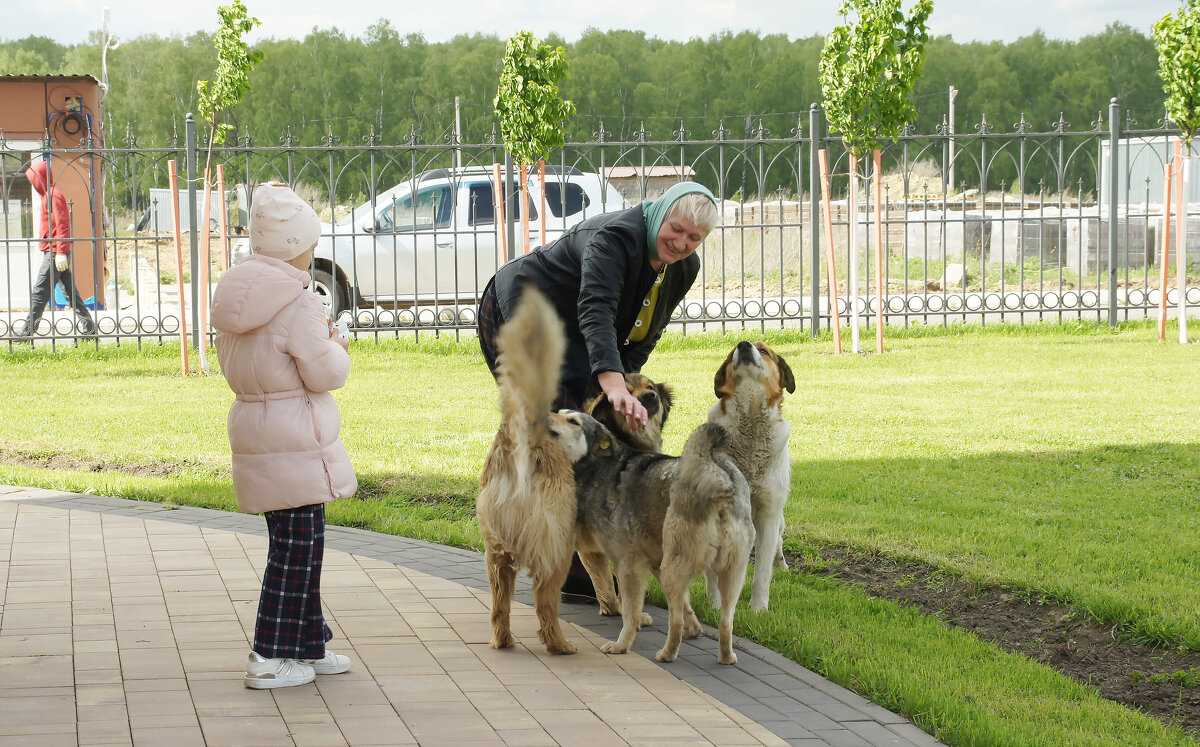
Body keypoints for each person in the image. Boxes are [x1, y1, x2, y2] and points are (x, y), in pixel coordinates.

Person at [477, 180, 720, 600]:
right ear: (660, 213)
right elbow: (596, 307)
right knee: (558, 431)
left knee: (593, 439)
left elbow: (648, 327)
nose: (681, 242)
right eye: (675, 229)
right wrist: (610, 380)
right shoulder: (615, 238)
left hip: (579, 336)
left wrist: (624, 379)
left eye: (694, 238)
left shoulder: (684, 266)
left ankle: (584, 563)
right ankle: (557, 564)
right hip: (525, 311)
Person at [210, 182, 358, 689]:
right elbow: (325, 374)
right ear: (297, 247)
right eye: (311, 246)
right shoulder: (299, 302)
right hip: (294, 439)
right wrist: (336, 343)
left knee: (295, 543)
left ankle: (308, 644)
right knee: (299, 551)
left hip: (258, 430)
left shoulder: (237, 297)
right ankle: (269, 655)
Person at [18, 158, 97, 337]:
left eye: (34, 179)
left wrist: (60, 252)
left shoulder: (54, 195)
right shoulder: (48, 195)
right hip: (54, 251)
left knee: (39, 291)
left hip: (55, 252)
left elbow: (63, 225)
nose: (33, 183)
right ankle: (90, 329)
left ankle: (26, 333)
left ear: (40, 177)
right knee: (70, 293)